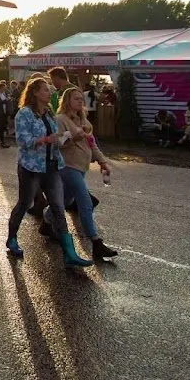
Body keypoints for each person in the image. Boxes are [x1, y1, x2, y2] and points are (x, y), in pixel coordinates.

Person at [4, 77, 92, 267]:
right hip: (31, 168)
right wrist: (45, 139)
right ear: (35, 92)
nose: (49, 92)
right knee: (24, 203)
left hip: (52, 166)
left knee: (58, 208)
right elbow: (22, 140)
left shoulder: (49, 112)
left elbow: (58, 141)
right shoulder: (24, 114)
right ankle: (12, 238)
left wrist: (70, 137)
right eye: (45, 90)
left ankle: (69, 253)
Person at [54, 87, 118, 260]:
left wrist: (102, 161)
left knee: (64, 200)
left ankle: (47, 220)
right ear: (67, 101)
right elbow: (57, 142)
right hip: (68, 166)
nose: (80, 102)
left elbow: (92, 143)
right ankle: (96, 242)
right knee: (85, 201)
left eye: (81, 99)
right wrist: (72, 136)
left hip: (81, 167)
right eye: (76, 99)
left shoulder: (84, 121)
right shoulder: (60, 119)